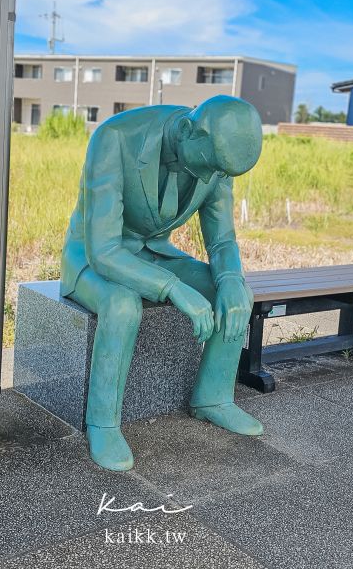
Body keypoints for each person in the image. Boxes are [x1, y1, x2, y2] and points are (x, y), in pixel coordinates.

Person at [61, 95, 264, 471]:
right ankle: (102, 424)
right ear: (188, 131)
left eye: (217, 173)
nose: (208, 179)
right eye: (208, 168)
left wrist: (233, 278)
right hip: (91, 256)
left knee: (233, 293)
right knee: (121, 305)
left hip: (153, 251)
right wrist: (172, 287)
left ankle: (213, 398)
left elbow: (221, 240)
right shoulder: (114, 138)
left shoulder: (214, 160)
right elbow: (104, 250)